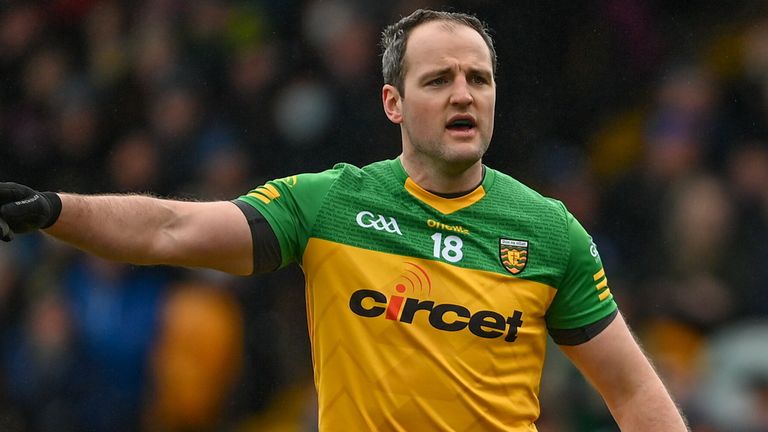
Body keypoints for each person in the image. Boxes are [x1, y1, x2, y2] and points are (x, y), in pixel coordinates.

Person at [0, 8, 688, 431]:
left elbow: (632, 390)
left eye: (479, 79)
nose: (464, 95)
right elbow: (169, 230)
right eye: (438, 79)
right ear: (393, 102)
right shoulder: (328, 203)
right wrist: (59, 210)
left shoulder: (548, 231)